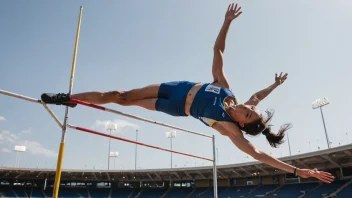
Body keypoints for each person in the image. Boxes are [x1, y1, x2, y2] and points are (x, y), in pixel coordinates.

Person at [41, 3, 334, 183]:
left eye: (247, 112)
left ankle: (75, 99)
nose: (246, 105)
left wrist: (298, 172)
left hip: (175, 106)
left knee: (130, 104)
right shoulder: (226, 89)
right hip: (175, 86)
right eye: (249, 107)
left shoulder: (232, 129)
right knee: (120, 94)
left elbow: (259, 154)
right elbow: (219, 51)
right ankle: (68, 98)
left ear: (243, 123)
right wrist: (227, 22)